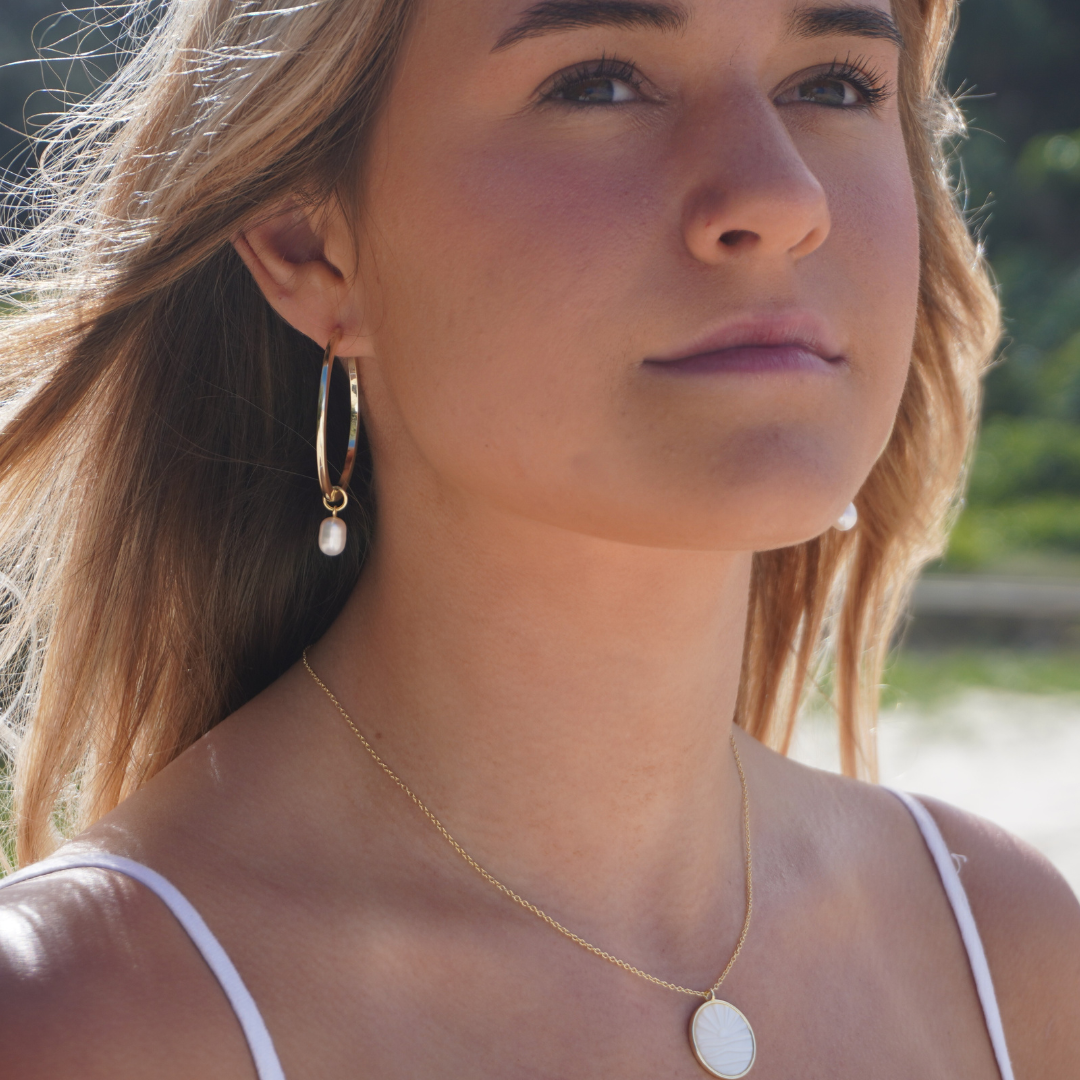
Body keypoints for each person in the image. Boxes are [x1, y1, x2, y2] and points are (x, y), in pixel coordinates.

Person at [0, 0, 1076, 1076]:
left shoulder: (1007, 956)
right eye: (599, 82)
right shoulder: (83, 1019)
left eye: (835, 84)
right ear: (310, 246)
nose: (781, 197)